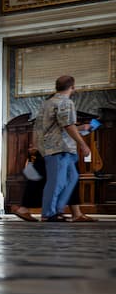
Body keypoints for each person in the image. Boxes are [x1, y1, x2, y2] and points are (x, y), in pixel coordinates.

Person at [35, 75, 89, 222]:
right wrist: (83, 144)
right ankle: (49, 213)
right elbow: (68, 125)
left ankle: (57, 209)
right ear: (72, 87)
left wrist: (81, 128)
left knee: (72, 178)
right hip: (58, 148)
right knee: (56, 181)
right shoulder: (65, 102)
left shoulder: (47, 103)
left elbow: (58, 126)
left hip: (60, 147)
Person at [10, 147, 45, 222]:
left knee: (36, 178)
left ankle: (23, 208)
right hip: (47, 152)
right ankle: (23, 208)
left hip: (44, 153)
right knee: (36, 179)